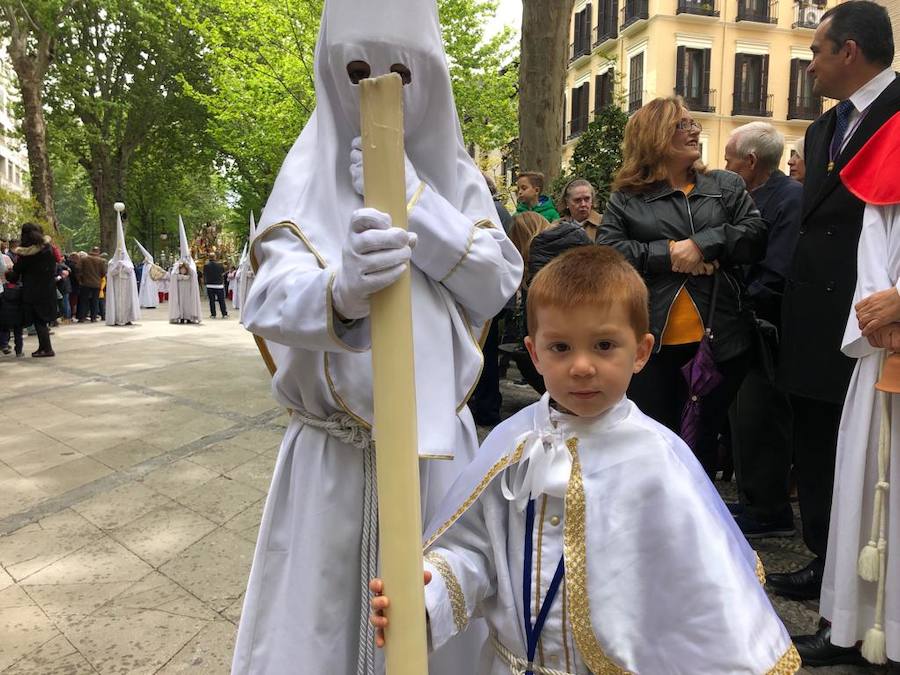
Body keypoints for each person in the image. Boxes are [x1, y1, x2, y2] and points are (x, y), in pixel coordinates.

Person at [231, 1, 522, 673]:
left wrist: (419, 203)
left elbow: (498, 277)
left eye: (402, 71)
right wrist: (341, 290)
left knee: (440, 619)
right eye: (359, 69)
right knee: (319, 627)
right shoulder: (305, 175)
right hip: (332, 461)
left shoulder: (457, 180)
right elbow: (267, 296)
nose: (381, 88)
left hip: (435, 459)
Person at [369, 246, 800, 674]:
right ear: (533, 354)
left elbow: (706, 600)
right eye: (559, 347)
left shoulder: (659, 461)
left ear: (642, 351)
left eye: (604, 345)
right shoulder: (511, 441)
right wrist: (429, 596)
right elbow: (478, 551)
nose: (581, 366)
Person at [770, 0, 900, 605]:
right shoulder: (823, 127)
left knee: (870, 454)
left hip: (874, 321)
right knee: (819, 443)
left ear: (849, 50)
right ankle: (827, 562)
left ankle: (865, 585)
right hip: (813, 317)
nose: (810, 66)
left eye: (816, 51)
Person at [597, 97, 766, 477]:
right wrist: (670, 254)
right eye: (682, 125)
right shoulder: (627, 197)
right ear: (654, 136)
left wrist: (703, 245)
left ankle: (698, 525)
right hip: (651, 341)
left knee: (701, 442)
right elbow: (607, 252)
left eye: (692, 124)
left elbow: (755, 236)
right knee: (654, 441)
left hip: (721, 337)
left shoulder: (725, 185)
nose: (695, 130)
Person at [790, 115, 900, 669]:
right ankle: (851, 628)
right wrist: (878, 310)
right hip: (883, 346)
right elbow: (874, 232)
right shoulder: (894, 134)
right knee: (861, 480)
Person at [723, 121, 804, 538]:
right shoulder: (749, 196)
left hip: (768, 327)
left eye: (730, 159)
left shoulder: (790, 200)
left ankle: (770, 507)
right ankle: (754, 496)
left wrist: (744, 300)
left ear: (751, 162)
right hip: (743, 322)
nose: (725, 166)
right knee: (743, 414)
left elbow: (779, 268)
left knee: (762, 414)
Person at [7, 223, 57, 357]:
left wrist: (8, 273)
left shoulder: (26, 253)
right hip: (48, 288)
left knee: (38, 319)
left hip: (33, 290)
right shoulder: (48, 249)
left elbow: (15, 274)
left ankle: (46, 349)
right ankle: (43, 347)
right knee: (42, 319)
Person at [105, 205, 140, 327]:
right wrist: (116, 267)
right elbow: (111, 274)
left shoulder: (128, 262)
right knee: (117, 302)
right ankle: (116, 318)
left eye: (122, 254)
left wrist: (124, 266)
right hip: (116, 285)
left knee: (126, 302)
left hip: (126, 285)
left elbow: (130, 272)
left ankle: (127, 318)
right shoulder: (111, 262)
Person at [168, 216, 202, 325]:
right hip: (180, 289)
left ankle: (189, 316)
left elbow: (193, 273)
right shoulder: (177, 264)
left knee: (187, 303)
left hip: (188, 289)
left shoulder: (191, 264)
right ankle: (181, 316)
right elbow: (173, 274)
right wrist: (179, 271)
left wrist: (187, 268)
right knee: (181, 303)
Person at [0, 249, 23, 356]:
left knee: (4, 330)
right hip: (17, 315)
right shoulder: (20, 289)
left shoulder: (4, 289)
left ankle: (4, 345)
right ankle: (18, 350)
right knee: (18, 333)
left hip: (4, 314)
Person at [76, 247, 104, 322]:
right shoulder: (101, 261)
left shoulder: (84, 259)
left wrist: (80, 279)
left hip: (85, 283)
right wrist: (99, 278)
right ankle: (93, 317)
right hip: (96, 283)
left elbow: (78, 269)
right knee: (95, 301)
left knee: (84, 301)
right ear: (98, 252)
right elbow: (103, 272)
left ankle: (82, 317)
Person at [133, 239, 159, 309]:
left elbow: (144, 274)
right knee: (151, 292)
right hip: (151, 282)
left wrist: (143, 281)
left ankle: (148, 303)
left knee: (148, 293)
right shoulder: (151, 265)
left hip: (148, 281)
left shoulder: (147, 266)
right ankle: (151, 303)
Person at [202, 252, 228, 319]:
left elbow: (204, 274)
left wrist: (205, 282)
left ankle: (213, 314)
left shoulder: (206, 266)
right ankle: (224, 313)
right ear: (215, 257)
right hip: (219, 285)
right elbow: (223, 273)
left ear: (209, 258)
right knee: (221, 300)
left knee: (212, 301)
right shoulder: (220, 265)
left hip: (210, 285)